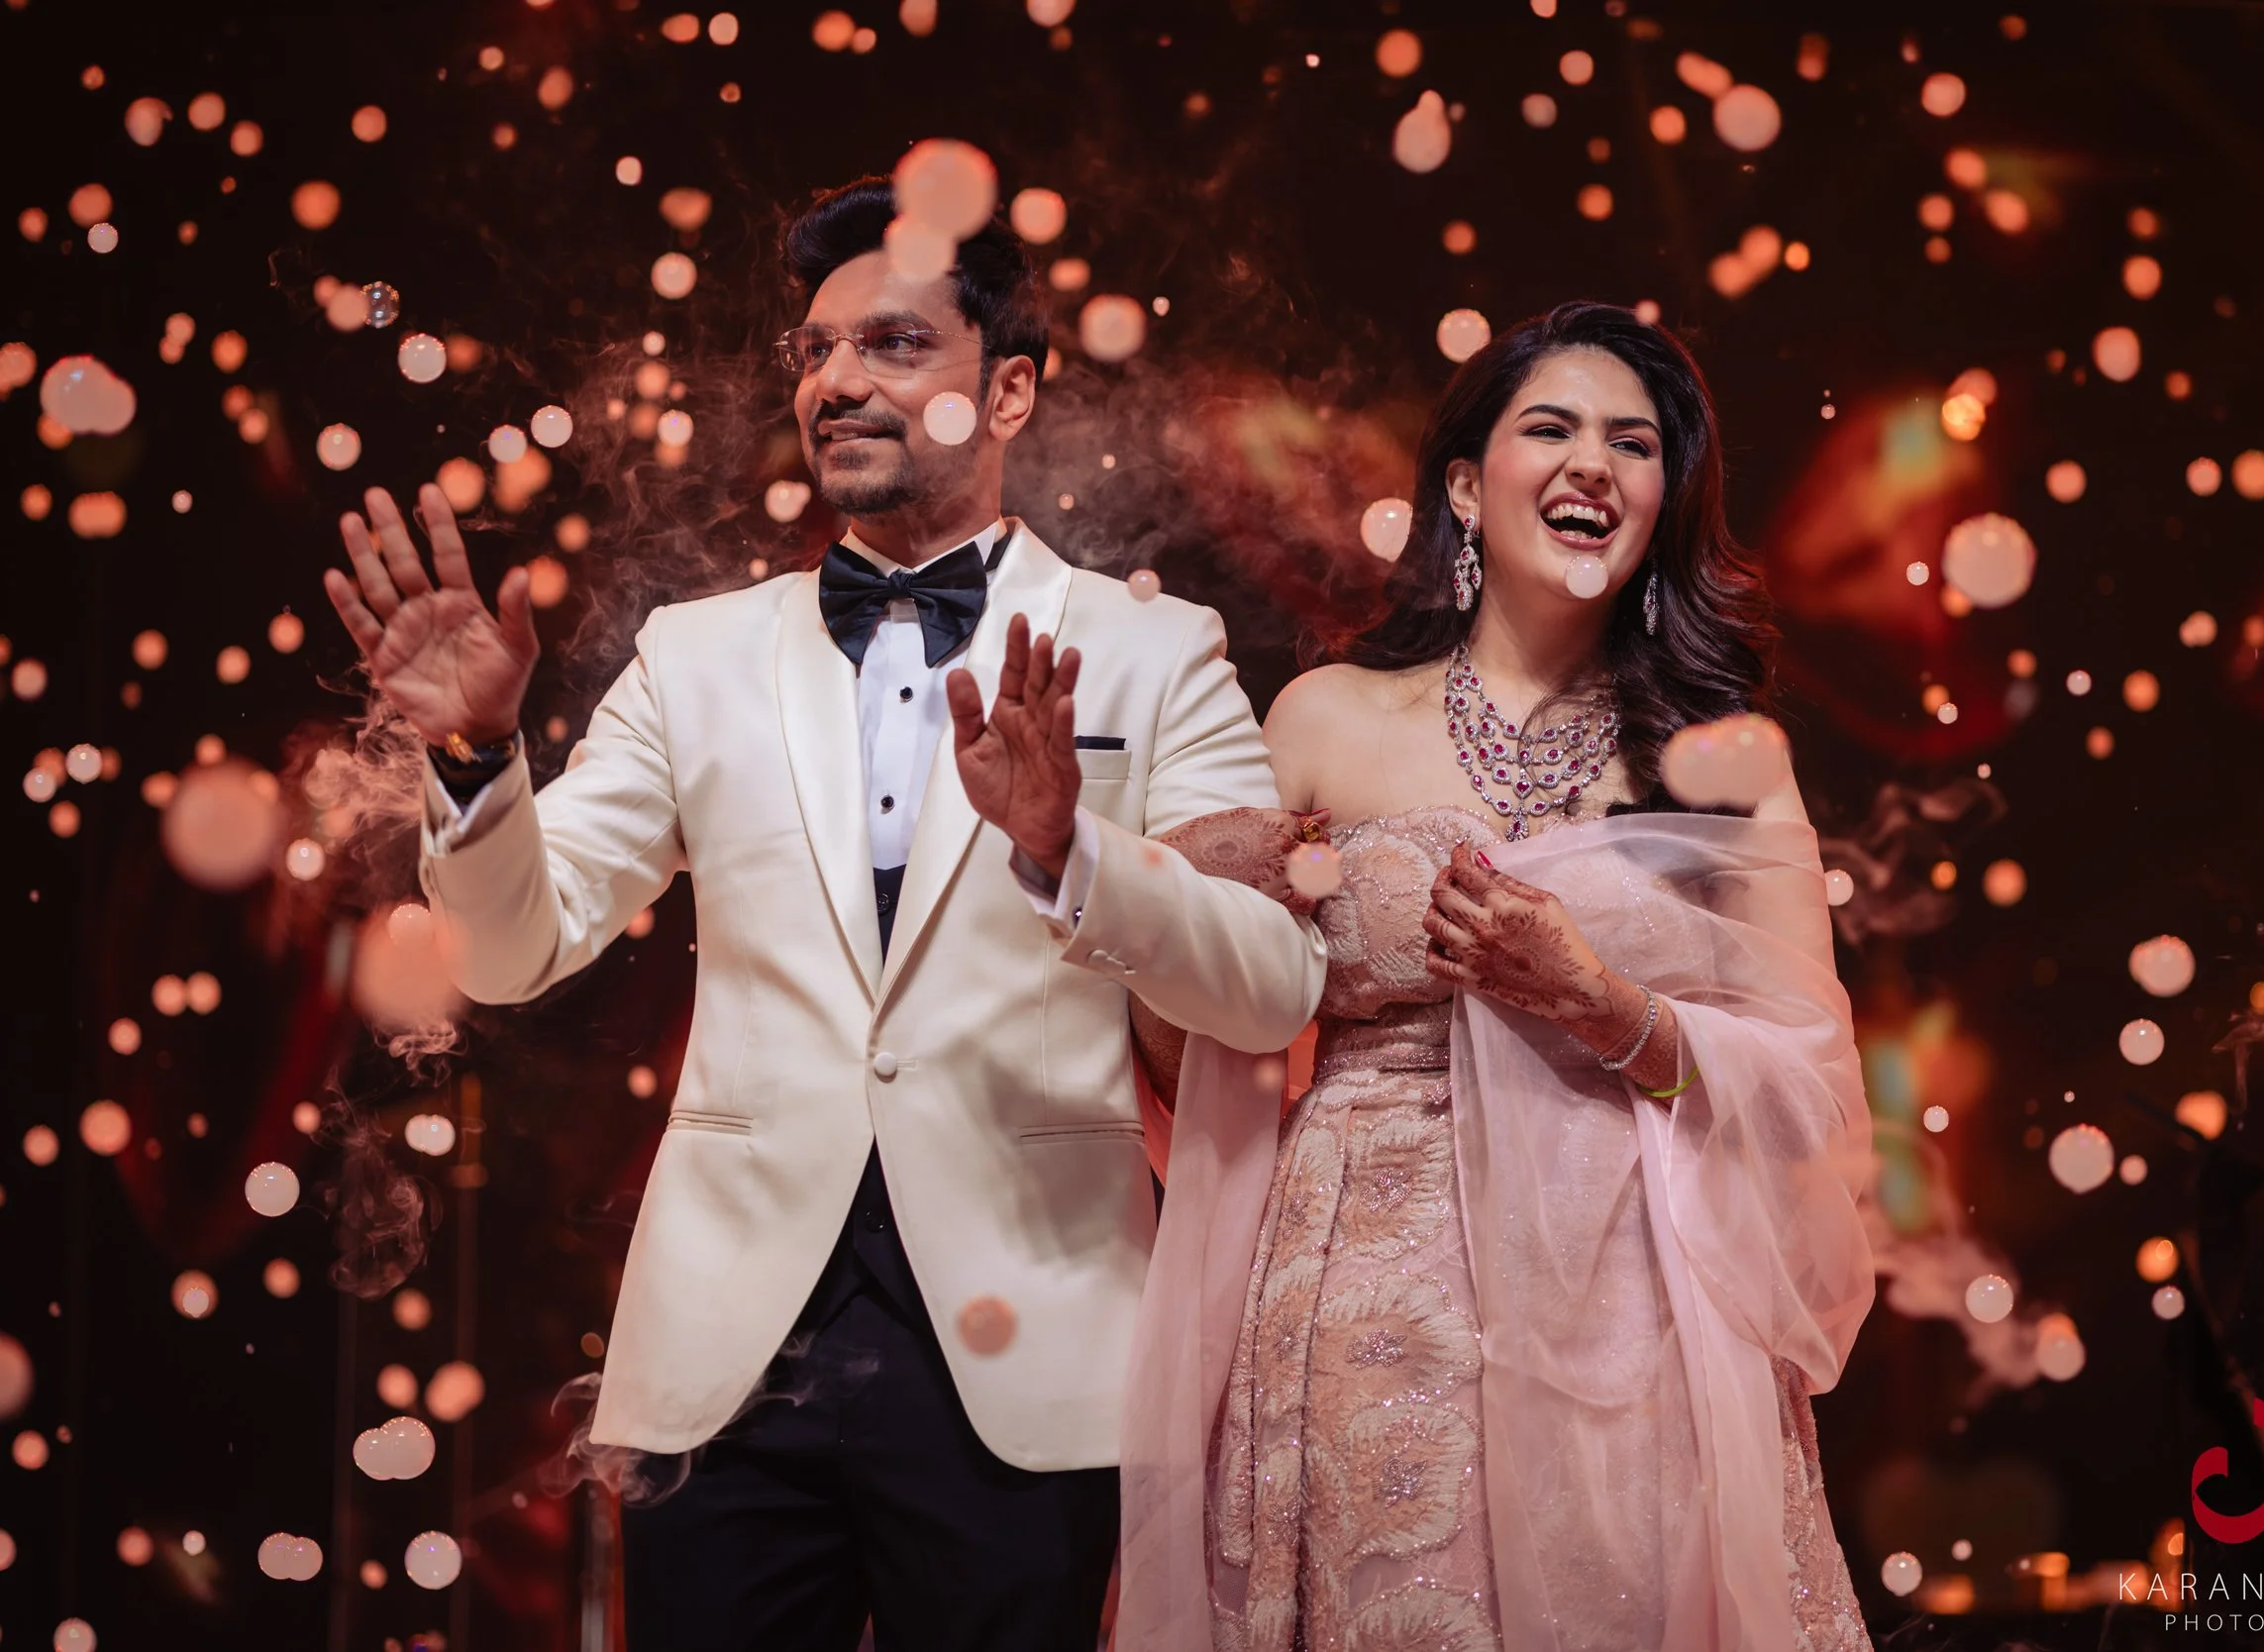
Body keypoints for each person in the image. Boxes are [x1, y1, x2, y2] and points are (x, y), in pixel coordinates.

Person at [320, 175, 1326, 1651]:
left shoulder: (1154, 651)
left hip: (1031, 1346)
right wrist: (477, 759)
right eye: (813, 351)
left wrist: (1070, 856)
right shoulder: (695, 655)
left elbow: (1274, 985)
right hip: (728, 1360)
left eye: (896, 345)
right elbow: (508, 944)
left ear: (1011, 392)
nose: (838, 380)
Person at [1116, 303, 1878, 1651]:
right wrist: (1180, 914)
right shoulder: (1325, 717)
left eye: (1633, 446)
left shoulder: (1723, 760)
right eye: (1553, 429)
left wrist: (1606, 1005)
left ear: (1662, 502)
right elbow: (1200, 1059)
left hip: (1634, 1324)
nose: (1594, 464)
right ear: (1466, 485)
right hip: (1362, 1316)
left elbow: (1808, 1090)